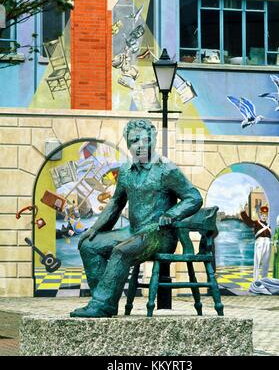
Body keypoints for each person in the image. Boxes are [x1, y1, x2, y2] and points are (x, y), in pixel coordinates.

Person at [70, 119, 203, 318]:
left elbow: (194, 197)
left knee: (121, 251)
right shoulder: (125, 172)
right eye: (134, 141)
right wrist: (95, 229)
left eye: (144, 140)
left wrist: (171, 214)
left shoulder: (167, 170)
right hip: (134, 232)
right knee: (89, 245)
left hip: (160, 235)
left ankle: (101, 303)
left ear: (153, 139)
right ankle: (103, 301)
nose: (140, 145)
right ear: (127, 144)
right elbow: (116, 203)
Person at [240, 206, 271, 281]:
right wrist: (243, 212)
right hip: (259, 242)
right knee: (257, 261)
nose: (264, 217)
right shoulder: (256, 223)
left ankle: (264, 280)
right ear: (260, 215)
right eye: (263, 215)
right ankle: (256, 280)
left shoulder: (269, 225)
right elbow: (248, 222)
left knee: (266, 263)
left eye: (265, 215)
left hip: (268, 243)